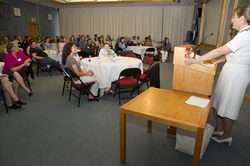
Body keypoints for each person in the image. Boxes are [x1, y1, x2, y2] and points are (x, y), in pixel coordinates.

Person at [184, 4, 250, 145]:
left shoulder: (246, 34)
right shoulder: (243, 34)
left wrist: (196, 60)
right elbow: (231, 54)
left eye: (234, 17)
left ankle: (227, 135)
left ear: (242, 18)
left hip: (237, 75)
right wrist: (218, 61)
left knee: (228, 106)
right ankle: (220, 128)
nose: (232, 20)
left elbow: (220, 50)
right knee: (217, 101)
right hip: (230, 70)